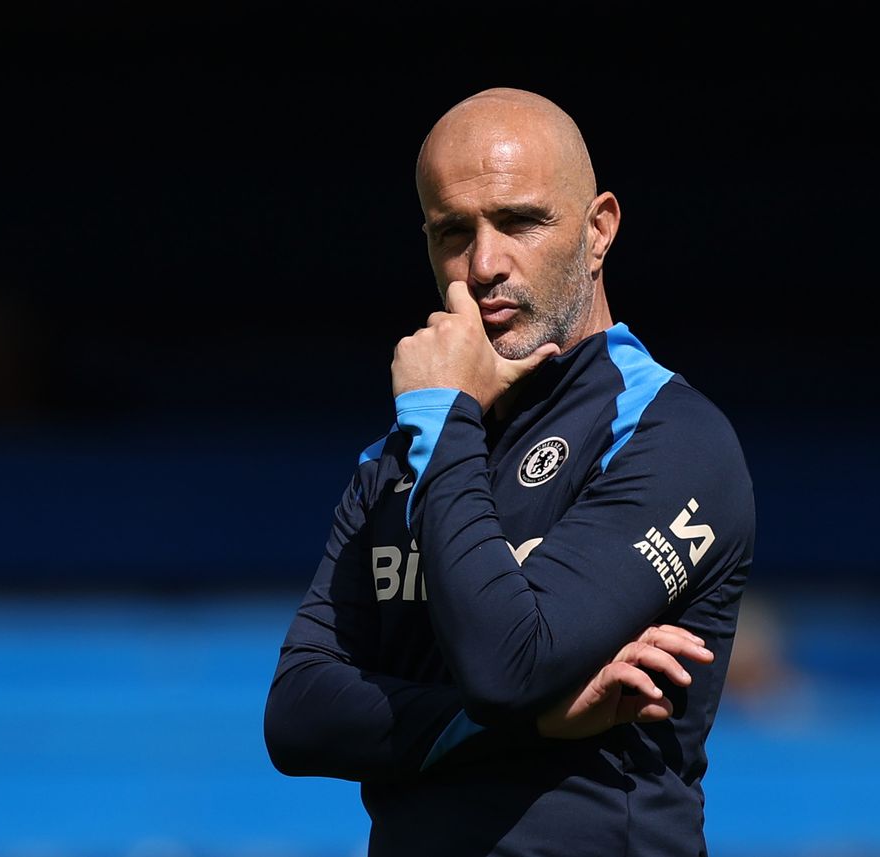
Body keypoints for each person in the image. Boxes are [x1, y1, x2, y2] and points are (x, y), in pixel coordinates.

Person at [264, 87, 756, 857]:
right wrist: (532, 722)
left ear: (599, 231)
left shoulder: (669, 434)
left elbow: (507, 663)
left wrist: (441, 416)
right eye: (452, 232)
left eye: (520, 222)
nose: (484, 264)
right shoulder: (404, 450)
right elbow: (297, 715)